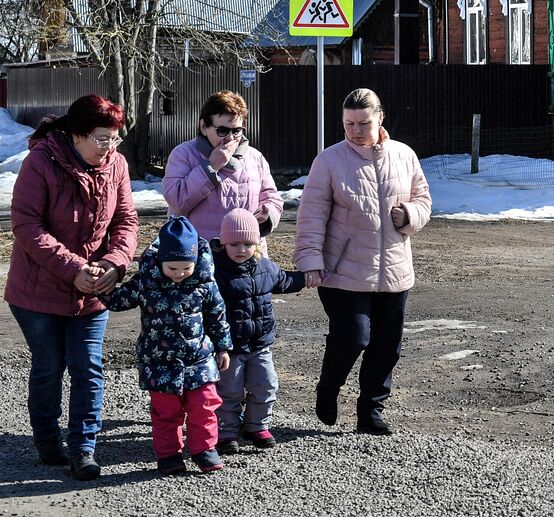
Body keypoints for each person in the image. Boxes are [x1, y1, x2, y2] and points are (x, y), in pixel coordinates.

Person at [5, 94, 138, 480]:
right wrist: (74, 267)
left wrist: (115, 263)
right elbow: (27, 226)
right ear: (76, 135)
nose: (109, 147)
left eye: (115, 139)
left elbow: (127, 221)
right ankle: (48, 441)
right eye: (102, 139)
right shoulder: (40, 162)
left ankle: (84, 449)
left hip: (93, 290)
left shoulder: (117, 165)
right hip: (38, 292)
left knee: (88, 368)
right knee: (49, 366)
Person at [294, 88, 431, 435]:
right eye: (348, 123)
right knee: (353, 337)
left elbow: (424, 200)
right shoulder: (329, 160)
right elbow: (310, 217)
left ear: (380, 118)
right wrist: (309, 260)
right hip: (341, 272)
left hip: (395, 270)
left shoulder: (404, 155)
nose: (355, 130)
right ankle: (328, 388)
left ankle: (370, 411)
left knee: (387, 346)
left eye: (363, 123)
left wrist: (409, 215)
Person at [102, 216, 233, 475]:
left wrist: (223, 347)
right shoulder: (146, 284)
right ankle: (169, 455)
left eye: (186, 268)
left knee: (204, 406)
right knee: (165, 412)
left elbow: (218, 317)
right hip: (160, 361)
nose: (180, 274)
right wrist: (98, 288)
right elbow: (118, 300)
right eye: (172, 268)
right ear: (160, 261)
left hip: (199, 360)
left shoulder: (205, 284)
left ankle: (204, 450)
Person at [211, 208, 305, 455]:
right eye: (234, 244)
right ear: (223, 243)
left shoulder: (265, 268)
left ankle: (256, 426)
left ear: (257, 243)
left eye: (248, 243)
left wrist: (307, 277)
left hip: (260, 344)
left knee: (266, 384)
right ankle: (227, 432)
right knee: (229, 390)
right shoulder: (215, 272)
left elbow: (285, 280)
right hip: (230, 348)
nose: (241, 249)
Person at [163, 90, 281, 242]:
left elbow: (272, 198)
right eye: (222, 131)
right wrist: (211, 167)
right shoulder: (183, 154)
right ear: (204, 127)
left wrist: (268, 215)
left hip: (247, 253)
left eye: (237, 131)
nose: (230, 138)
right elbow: (177, 201)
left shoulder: (255, 157)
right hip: (201, 254)